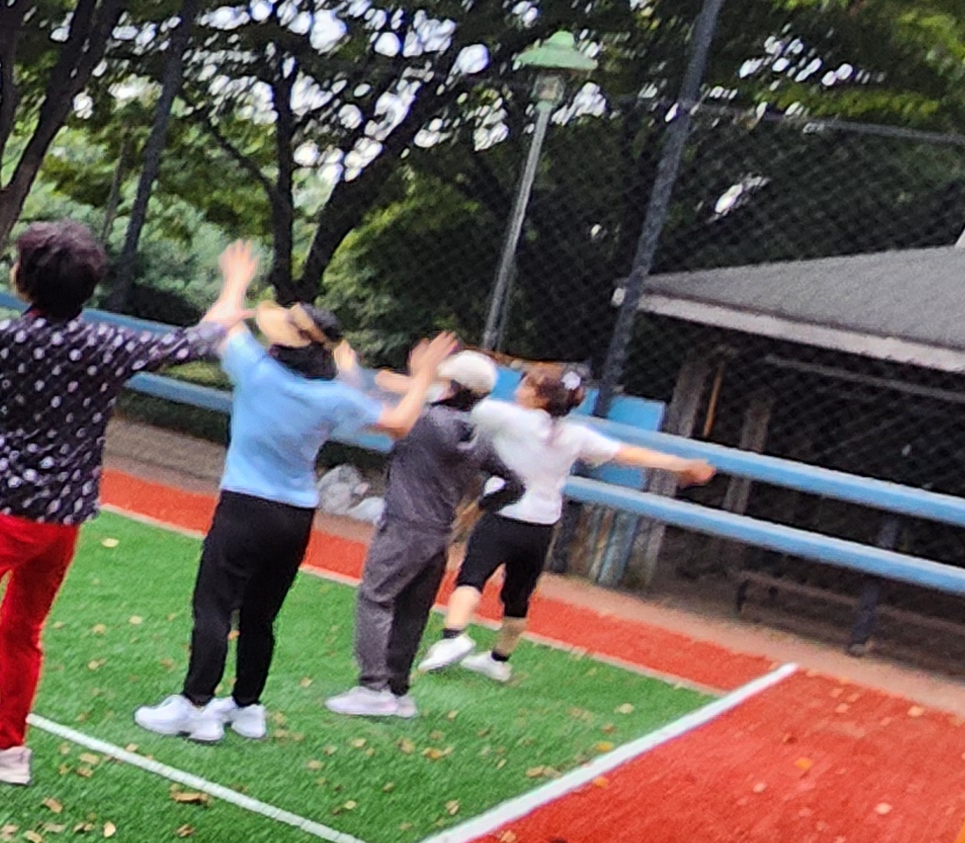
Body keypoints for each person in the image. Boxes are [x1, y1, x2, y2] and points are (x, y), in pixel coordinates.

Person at [0, 229, 256, 791]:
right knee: (23, 629)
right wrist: (235, 284)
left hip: (2, 509)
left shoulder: (7, 337)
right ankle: (6, 745)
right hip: (62, 519)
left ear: (25, 280)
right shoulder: (107, 342)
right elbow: (201, 338)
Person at [135, 300, 452, 747]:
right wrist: (422, 377)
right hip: (296, 516)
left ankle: (195, 706)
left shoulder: (257, 371)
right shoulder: (332, 396)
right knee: (261, 616)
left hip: (244, 506)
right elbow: (399, 422)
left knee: (214, 608)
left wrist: (235, 283)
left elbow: (216, 323)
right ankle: (247, 706)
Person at [416, 360, 712, 683]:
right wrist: (682, 464)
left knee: (471, 578)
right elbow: (627, 454)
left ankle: (453, 636)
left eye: (525, 385)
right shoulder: (576, 434)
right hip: (542, 527)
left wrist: (414, 376)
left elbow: (445, 400)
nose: (518, 390)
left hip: (504, 515)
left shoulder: (508, 417)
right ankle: (499, 659)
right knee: (518, 596)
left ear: (539, 397)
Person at [328, 348, 505, 717]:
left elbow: (366, 412)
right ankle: (397, 690)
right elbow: (515, 483)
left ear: (451, 384)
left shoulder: (424, 421)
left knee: (376, 599)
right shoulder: (481, 436)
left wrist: (348, 370)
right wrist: (477, 509)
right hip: (439, 535)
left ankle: (372, 687)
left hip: (404, 526)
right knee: (413, 611)